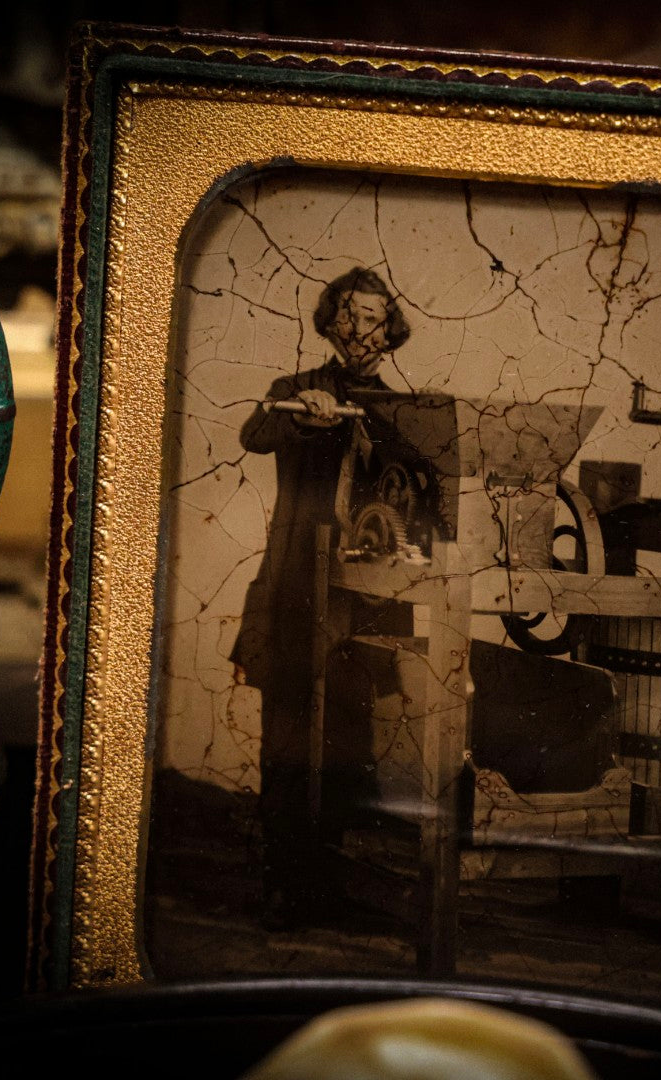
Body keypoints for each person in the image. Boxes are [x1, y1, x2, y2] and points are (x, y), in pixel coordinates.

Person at [231, 267, 411, 924]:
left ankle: (329, 887)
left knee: (347, 740)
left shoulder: (405, 412)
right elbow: (254, 436)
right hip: (295, 589)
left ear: (390, 331)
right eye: (349, 315)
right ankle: (283, 887)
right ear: (331, 322)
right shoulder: (294, 390)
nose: (360, 330)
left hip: (364, 602)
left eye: (374, 318)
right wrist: (308, 420)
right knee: (287, 735)